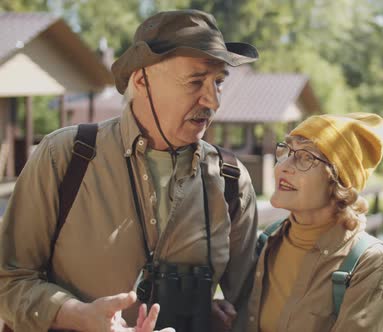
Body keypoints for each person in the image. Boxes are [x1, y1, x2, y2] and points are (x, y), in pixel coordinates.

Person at [0, 9, 258, 331]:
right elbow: (9, 280)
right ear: (142, 80)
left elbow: (247, 309)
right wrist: (75, 314)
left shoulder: (231, 181)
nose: (213, 101)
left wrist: (214, 315)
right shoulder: (64, 158)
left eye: (218, 82)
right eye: (195, 81)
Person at [240, 113, 383, 331]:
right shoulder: (268, 242)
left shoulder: (370, 267)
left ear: (339, 182)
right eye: (287, 151)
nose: (284, 166)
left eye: (306, 157)